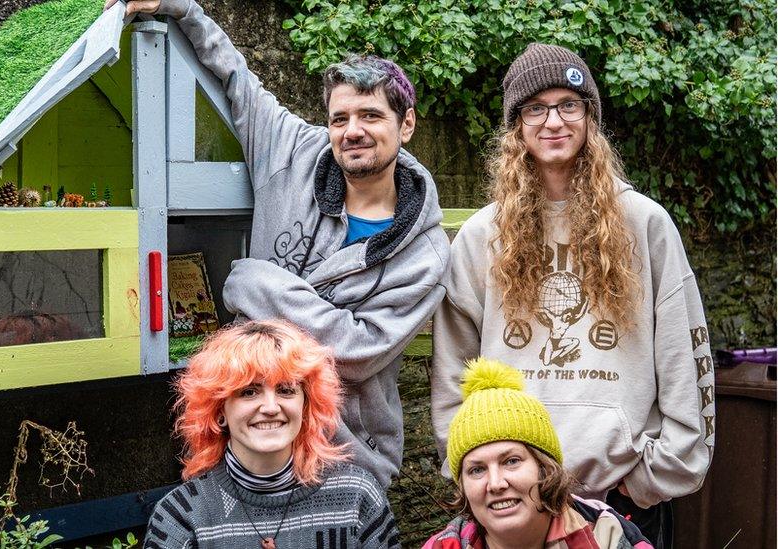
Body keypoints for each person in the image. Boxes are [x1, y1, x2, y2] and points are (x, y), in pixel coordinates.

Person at [108, 0, 450, 489]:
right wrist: (179, 8)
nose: (352, 131)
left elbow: (355, 352)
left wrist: (255, 283)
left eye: (371, 116)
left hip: (347, 455)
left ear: (407, 124)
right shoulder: (291, 152)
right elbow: (236, 77)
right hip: (246, 441)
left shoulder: (425, 253)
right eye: (340, 118)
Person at [430, 43, 715, 547]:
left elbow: (683, 355)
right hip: (514, 501)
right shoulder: (481, 235)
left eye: (569, 104)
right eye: (535, 108)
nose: (553, 121)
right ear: (516, 125)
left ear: (590, 117)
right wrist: (470, 464)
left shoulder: (644, 223)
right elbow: (453, 367)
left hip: (623, 497)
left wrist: (650, 481)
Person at [143, 320, 400, 548]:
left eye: (286, 390)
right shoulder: (183, 516)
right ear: (218, 409)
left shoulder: (356, 496)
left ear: (306, 404)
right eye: (249, 392)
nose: (270, 407)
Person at [424, 357, 654, 549]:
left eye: (511, 461)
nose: (495, 483)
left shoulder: (605, 536)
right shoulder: (446, 545)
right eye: (476, 469)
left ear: (545, 469)